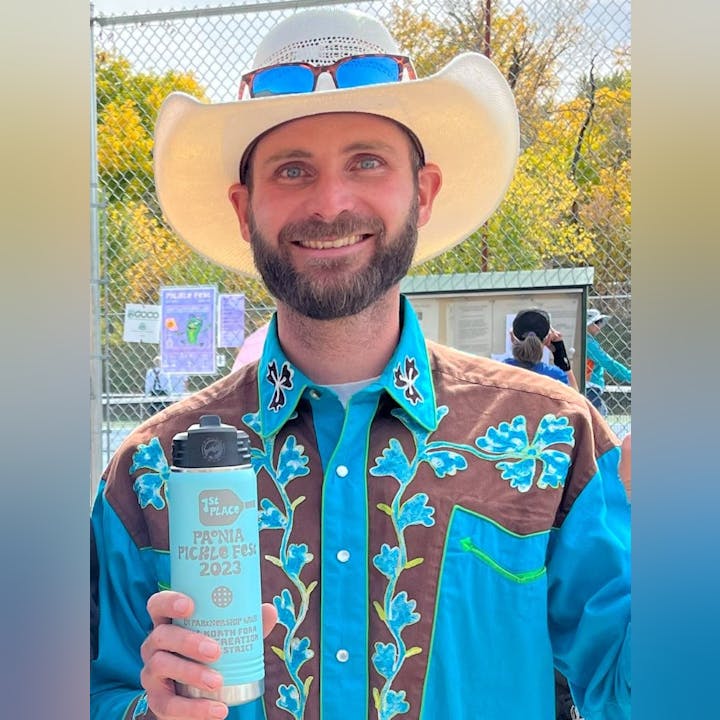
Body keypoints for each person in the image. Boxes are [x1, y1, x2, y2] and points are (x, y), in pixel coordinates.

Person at [91, 8, 630, 720]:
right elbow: (93, 690)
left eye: (366, 162)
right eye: (292, 170)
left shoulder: (555, 444)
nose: (331, 202)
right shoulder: (148, 474)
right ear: (243, 208)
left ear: (424, 192)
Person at [504, 308, 579, 390]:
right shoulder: (555, 376)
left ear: (512, 338)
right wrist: (560, 354)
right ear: (547, 339)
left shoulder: (500, 371)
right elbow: (575, 399)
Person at [585, 308, 631, 417]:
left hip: (587, 387)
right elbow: (608, 363)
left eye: (600, 322)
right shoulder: (589, 343)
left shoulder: (584, 340)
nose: (600, 325)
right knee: (599, 418)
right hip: (590, 387)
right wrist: (629, 376)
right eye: (597, 322)